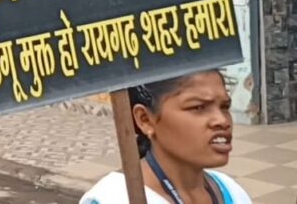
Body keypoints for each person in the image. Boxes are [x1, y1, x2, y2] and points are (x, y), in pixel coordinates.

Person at [79, 71, 251, 204]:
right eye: (198, 107)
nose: (222, 121)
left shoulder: (232, 192)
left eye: (225, 107)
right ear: (145, 119)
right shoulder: (112, 199)